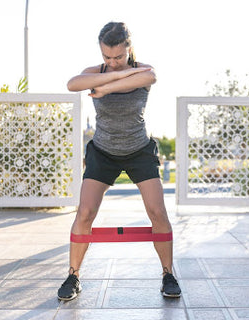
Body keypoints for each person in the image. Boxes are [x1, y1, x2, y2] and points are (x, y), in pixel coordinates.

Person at [57, 22, 181, 301]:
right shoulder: (96, 72)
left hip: (139, 150)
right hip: (103, 151)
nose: (112, 63)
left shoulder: (144, 71)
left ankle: (168, 274)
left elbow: (149, 77)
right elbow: (72, 84)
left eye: (118, 57)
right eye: (106, 57)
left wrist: (108, 85)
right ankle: (73, 276)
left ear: (129, 48)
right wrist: (116, 77)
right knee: (85, 213)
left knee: (157, 213)